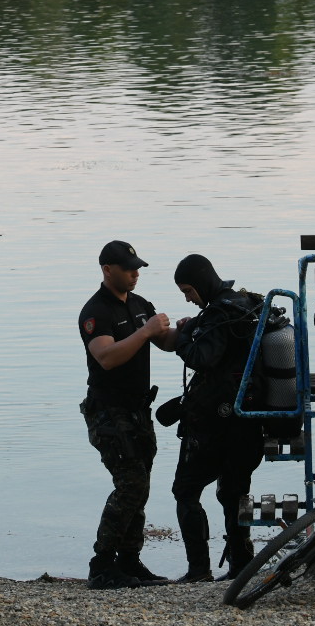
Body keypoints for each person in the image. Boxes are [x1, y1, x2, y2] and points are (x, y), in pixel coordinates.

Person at [78, 240, 174, 589]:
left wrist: (195, 328)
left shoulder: (139, 305)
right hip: (108, 412)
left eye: (138, 268)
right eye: (129, 268)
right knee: (130, 483)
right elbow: (107, 357)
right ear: (107, 269)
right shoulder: (96, 311)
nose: (136, 273)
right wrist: (145, 331)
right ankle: (101, 565)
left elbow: (166, 341)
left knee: (140, 485)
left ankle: (130, 563)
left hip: (139, 411)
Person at [168, 253, 265, 583]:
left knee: (185, 489)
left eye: (188, 292)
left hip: (218, 422)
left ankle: (199, 570)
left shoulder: (218, 313)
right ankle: (241, 564)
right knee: (234, 492)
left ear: (199, 284)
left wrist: (182, 339)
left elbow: (202, 357)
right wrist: (194, 324)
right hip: (248, 418)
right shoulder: (244, 302)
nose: (188, 299)